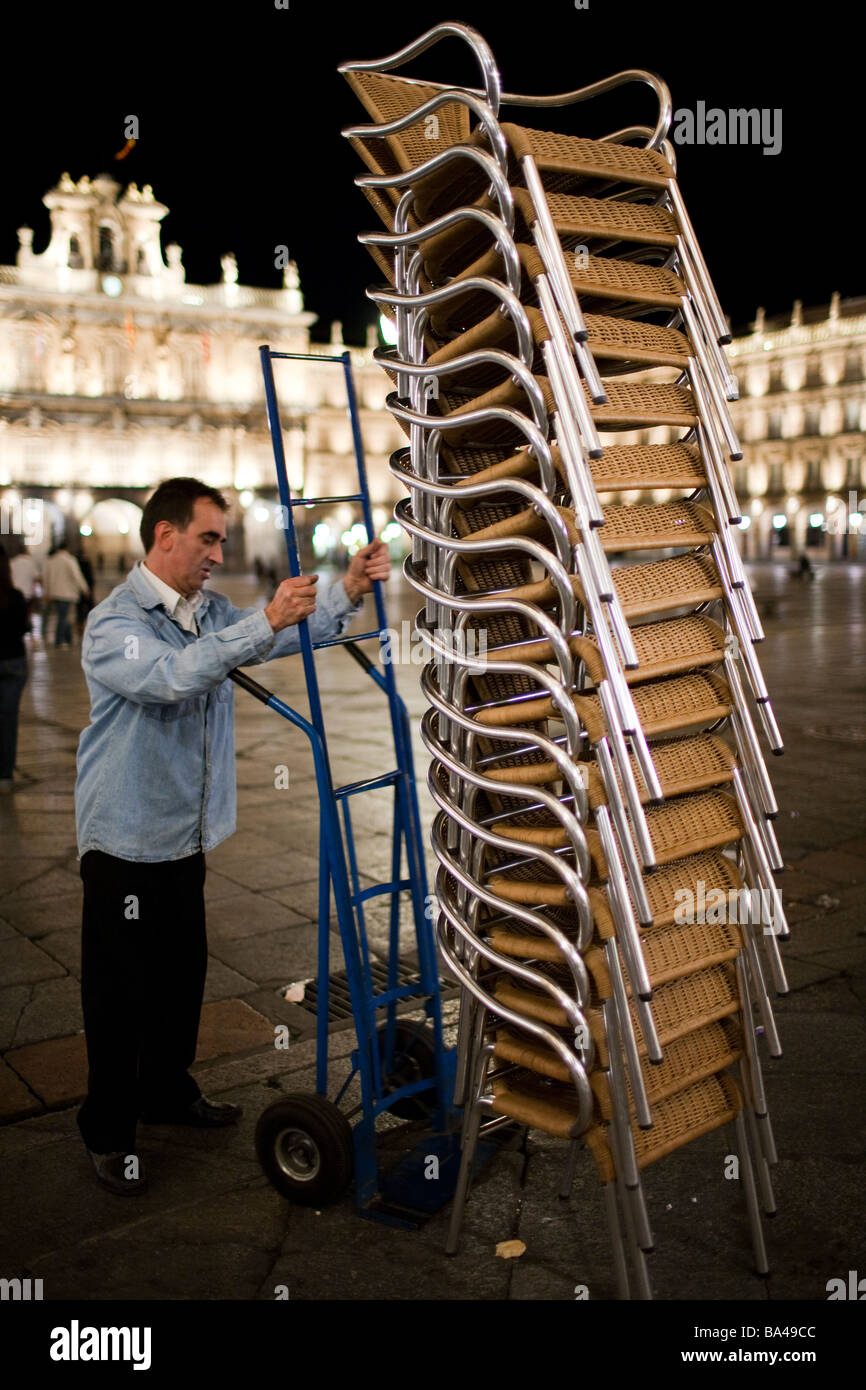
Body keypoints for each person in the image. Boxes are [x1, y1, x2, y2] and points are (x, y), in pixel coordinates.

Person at [74, 477, 389, 1194]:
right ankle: (108, 1129)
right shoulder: (114, 622)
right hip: (123, 838)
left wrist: (345, 589)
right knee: (118, 996)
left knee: (181, 979)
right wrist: (262, 621)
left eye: (221, 538)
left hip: (184, 835)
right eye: (209, 537)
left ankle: (167, 1091)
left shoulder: (208, 610)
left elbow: (275, 639)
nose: (219, 552)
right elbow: (172, 677)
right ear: (165, 535)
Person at [0, 545, 31, 793]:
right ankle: (5, 775)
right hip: (14, 663)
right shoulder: (16, 596)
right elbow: (24, 628)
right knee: (8, 721)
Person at [43, 541, 90, 648]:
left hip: (54, 592)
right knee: (64, 617)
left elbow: (46, 577)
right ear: (67, 548)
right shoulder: (70, 560)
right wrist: (84, 588)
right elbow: (76, 575)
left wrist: (46, 592)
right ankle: (60, 640)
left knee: (63, 616)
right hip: (67, 593)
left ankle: (68, 639)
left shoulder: (51, 561)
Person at [75, 549, 95, 639]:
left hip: (79, 590)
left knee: (80, 609)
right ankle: (88, 625)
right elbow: (90, 578)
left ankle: (81, 625)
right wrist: (87, 589)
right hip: (86, 589)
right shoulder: (86, 563)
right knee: (89, 607)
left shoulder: (76, 563)